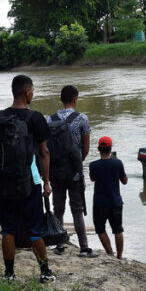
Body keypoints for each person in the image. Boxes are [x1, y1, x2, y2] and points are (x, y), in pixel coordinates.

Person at [0, 74, 56, 283]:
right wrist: (46, 182)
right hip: (29, 181)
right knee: (35, 228)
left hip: (3, 181)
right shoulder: (35, 117)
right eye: (32, 91)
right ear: (27, 92)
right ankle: (45, 272)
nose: (32, 94)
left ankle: (9, 274)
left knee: (8, 228)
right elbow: (44, 152)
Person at [46, 85, 94, 257]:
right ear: (75, 99)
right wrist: (77, 163)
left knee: (58, 208)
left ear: (61, 99)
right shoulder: (82, 118)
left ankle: (59, 245)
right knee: (77, 209)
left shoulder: (49, 119)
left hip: (55, 172)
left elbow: (45, 148)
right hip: (74, 172)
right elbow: (86, 147)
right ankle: (84, 247)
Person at [89, 136, 128, 259]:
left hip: (100, 202)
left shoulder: (93, 165)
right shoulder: (118, 163)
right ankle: (120, 257)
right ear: (110, 149)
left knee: (100, 229)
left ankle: (110, 254)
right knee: (118, 229)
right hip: (115, 201)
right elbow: (124, 181)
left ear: (98, 149)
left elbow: (92, 179)